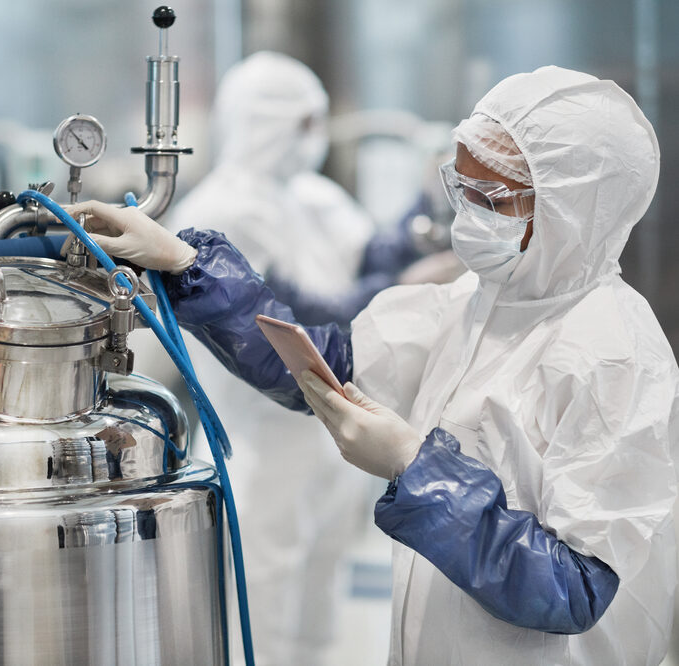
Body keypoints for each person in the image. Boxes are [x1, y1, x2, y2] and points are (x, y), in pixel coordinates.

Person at [69, 65, 679, 665]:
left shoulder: (614, 357)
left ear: (572, 211)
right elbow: (324, 363)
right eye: (458, 188)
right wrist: (184, 264)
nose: (467, 215)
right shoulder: (475, 303)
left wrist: (418, 471)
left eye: (489, 199)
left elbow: (575, 589)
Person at [162, 51, 426, 664]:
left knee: (317, 609)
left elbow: (372, 261)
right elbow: (288, 320)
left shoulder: (306, 195)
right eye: (305, 123)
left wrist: (423, 215)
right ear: (268, 122)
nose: (315, 139)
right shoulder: (222, 210)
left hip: (323, 441)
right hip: (258, 442)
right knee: (261, 612)